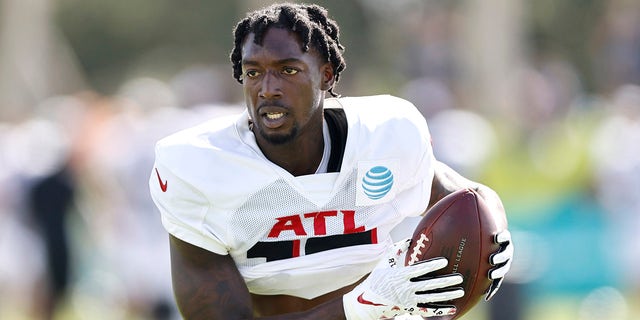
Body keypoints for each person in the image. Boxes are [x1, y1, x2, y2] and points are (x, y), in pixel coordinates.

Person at [149, 3, 513, 319]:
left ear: (326, 75)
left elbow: (467, 197)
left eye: (288, 70)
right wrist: (355, 309)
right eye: (254, 72)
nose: (267, 88)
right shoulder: (199, 166)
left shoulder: (384, 136)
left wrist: (494, 231)